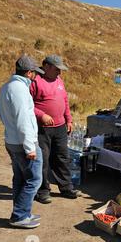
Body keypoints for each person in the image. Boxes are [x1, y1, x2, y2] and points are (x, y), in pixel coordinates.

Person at [0, 55, 44, 229]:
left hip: (12, 141)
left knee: (20, 178)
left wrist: (9, 125)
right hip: (24, 144)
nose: (36, 77)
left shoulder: (7, 86)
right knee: (34, 180)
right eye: (35, 73)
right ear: (29, 73)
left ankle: (23, 212)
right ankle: (19, 216)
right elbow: (24, 120)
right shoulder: (20, 90)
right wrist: (30, 147)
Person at [30, 55, 80, 204]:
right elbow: (26, 104)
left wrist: (69, 119)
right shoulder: (35, 81)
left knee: (62, 158)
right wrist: (41, 115)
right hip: (42, 128)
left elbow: (64, 100)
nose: (60, 72)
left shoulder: (59, 80)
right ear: (47, 67)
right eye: (57, 69)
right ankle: (42, 191)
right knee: (43, 160)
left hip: (60, 127)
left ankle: (66, 188)